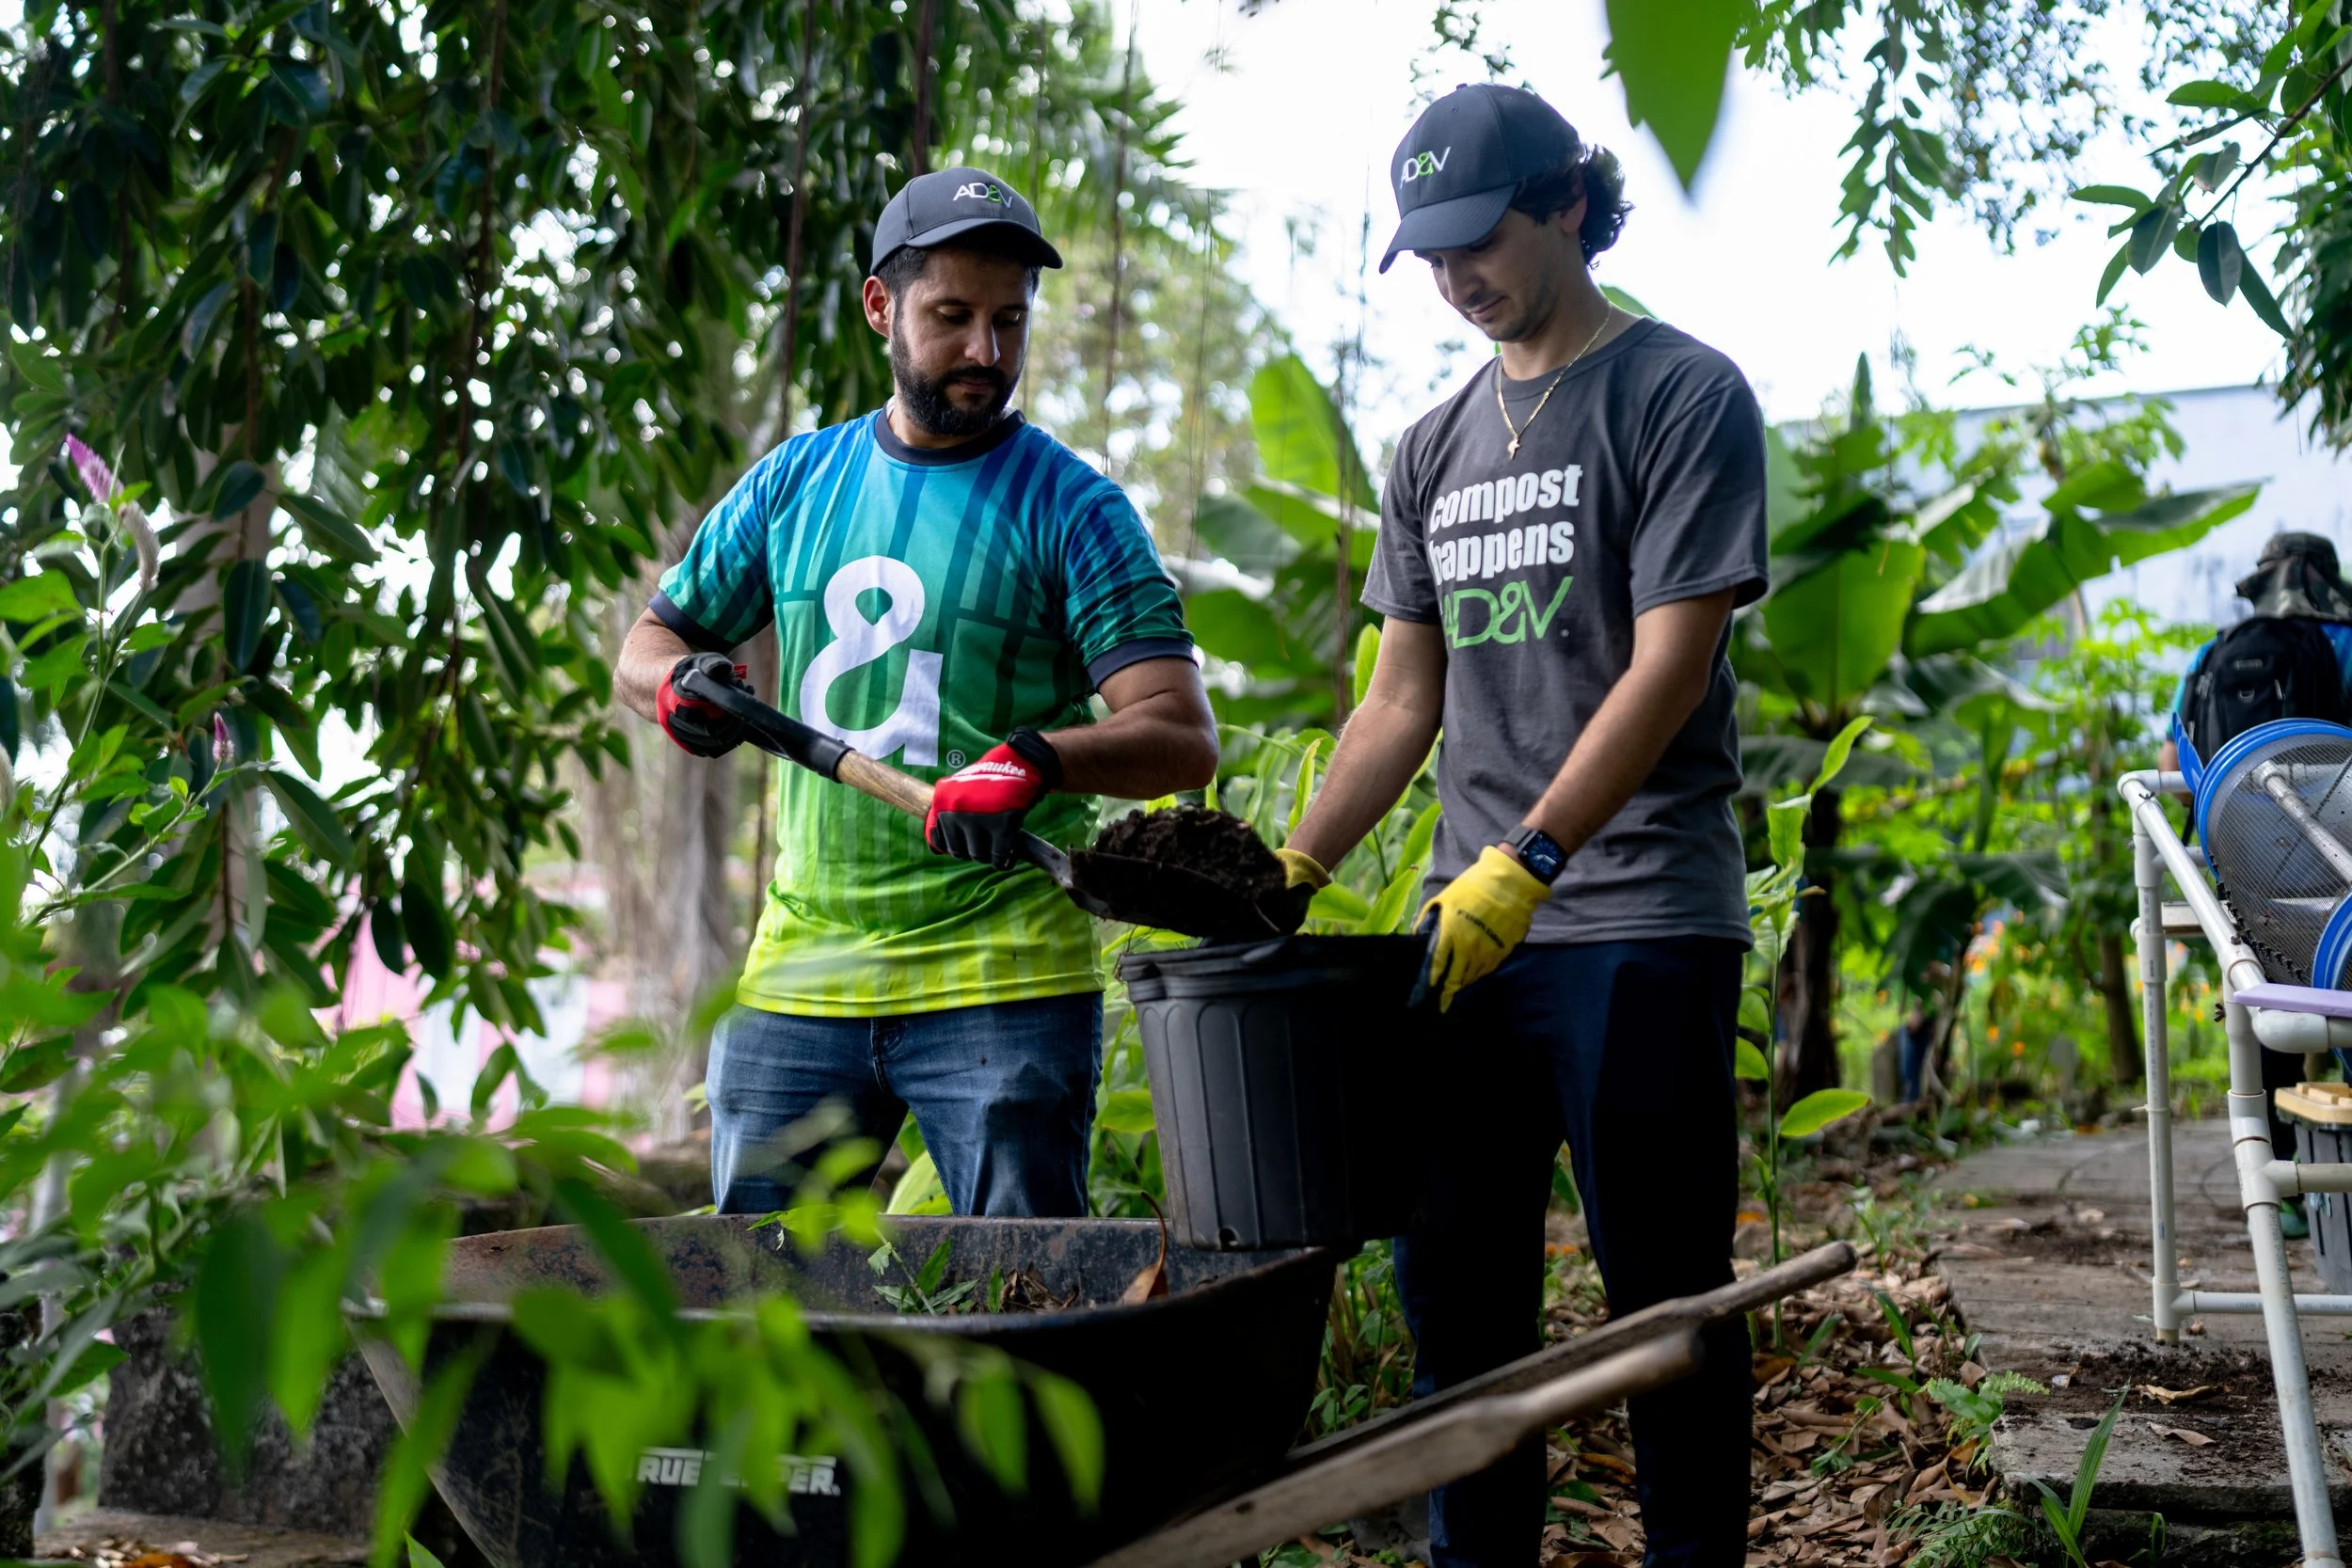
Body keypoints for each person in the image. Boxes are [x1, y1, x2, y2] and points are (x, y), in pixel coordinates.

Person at [1277, 85, 1770, 1568]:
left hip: (1642, 920)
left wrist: (1532, 858)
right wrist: (1292, 867)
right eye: (1429, 254)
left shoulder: (1682, 394)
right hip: (1465, 939)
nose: (1454, 278)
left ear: (1565, 204)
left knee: (1665, 1297)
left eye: (1478, 241)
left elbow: (1668, 664)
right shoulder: (1430, 447)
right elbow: (1397, 703)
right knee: (1457, 1304)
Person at [614, 166, 1218, 1218]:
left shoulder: (1077, 508)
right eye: (952, 317)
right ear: (880, 306)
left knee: (1018, 1297)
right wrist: (672, 686)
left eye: (1009, 321)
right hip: (798, 979)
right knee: (758, 1295)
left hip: (1003, 983)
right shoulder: (795, 483)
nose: (986, 350)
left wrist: (1036, 759)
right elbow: (647, 643)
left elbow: (1178, 734)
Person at [2161, 531, 2352, 1235]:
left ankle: (2285, 1189)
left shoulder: (2213, 652)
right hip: (2341, 879)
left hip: (2249, 878)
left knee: (2267, 1004)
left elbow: (2174, 766)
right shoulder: (2346, 641)